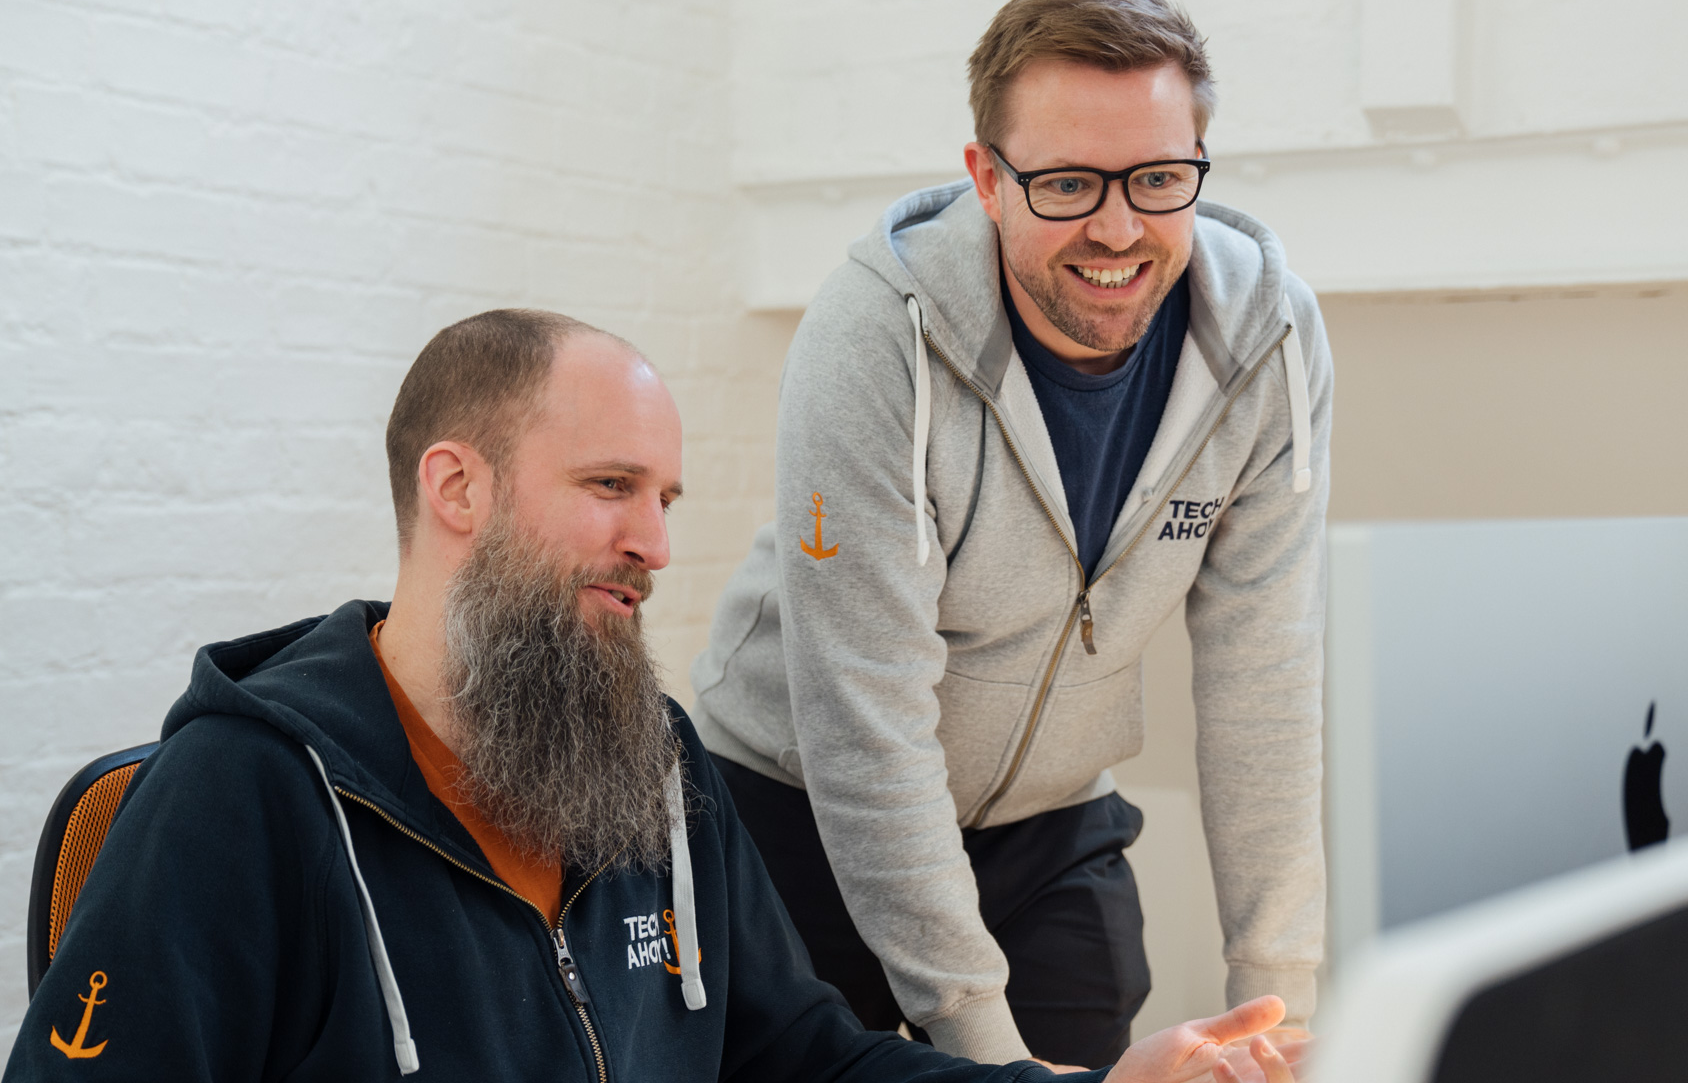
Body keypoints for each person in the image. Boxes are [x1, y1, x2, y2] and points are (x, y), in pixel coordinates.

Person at [5, 310, 1300, 1083]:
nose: (657, 545)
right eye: (612, 487)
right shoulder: (244, 795)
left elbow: (809, 1063)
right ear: (458, 491)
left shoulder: (656, 766)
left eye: (665, 501)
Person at [691, 0, 1331, 1068]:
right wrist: (998, 1065)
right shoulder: (875, 337)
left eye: (1160, 178)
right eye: (1070, 183)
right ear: (987, 178)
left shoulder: (1268, 338)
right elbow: (868, 724)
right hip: (800, 802)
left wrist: (1283, 1007)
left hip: (1047, 815)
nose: (1119, 228)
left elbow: (1262, 672)